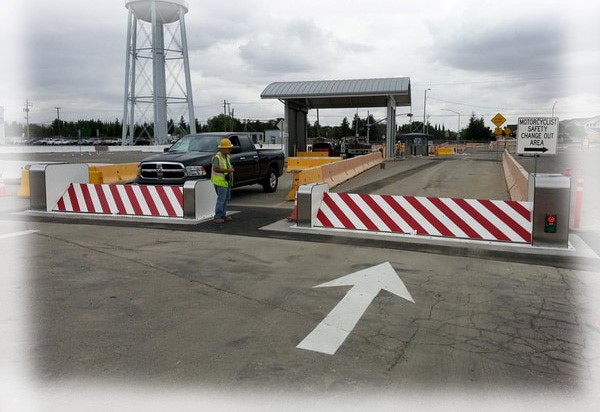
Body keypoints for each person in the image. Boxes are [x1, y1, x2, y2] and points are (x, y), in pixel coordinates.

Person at [211, 138, 235, 223]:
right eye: (228, 148)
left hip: (226, 181)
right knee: (221, 200)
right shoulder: (217, 157)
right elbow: (216, 169)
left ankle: (223, 215)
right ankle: (217, 216)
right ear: (222, 148)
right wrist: (227, 171)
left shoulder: (226, 156)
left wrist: (229, 170)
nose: (230, 149)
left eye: (230, 148)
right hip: (220, 182)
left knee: (225, 199)